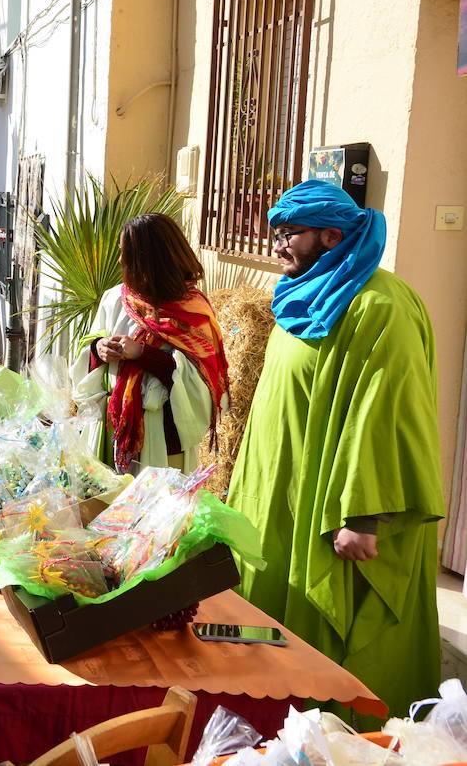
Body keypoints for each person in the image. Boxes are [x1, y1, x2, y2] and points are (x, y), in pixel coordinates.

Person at [227, 180, 443, 721]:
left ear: (331, 235)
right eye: (275, 232)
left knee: (334, 648)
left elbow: (388, 411)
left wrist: (365, 516)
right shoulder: (305, 294)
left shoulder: (379, 305)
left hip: (335, 510)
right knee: (267, 625)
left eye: (289, 234)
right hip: (278, 495)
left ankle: (345, 736)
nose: (277, 245)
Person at [70, 214, 229, 473]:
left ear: (150, 259)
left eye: (127, 254)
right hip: (112, 426)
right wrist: (98, 348)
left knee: (157, 508)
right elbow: (90, 343)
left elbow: (200, 379)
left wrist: (142, 353)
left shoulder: (193, 311)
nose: (120, 261)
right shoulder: (115, 298)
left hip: (164, 435)